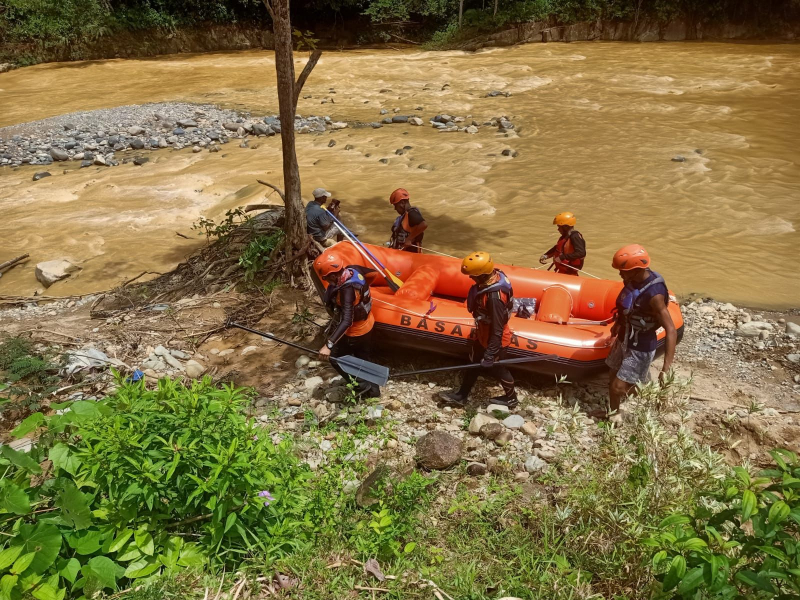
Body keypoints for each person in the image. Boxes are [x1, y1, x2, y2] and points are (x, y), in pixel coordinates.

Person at [605, 244, 677, 422]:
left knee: (617, 387)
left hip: (641, 345)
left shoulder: (655, 295)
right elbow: (627, 306)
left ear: (636, 270)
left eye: (623, 270)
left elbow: (671, 329)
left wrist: (666, 368)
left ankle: (648, 390)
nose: (620, 274)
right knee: (612, 377)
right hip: (624, 338)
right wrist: (618, 323)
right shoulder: (632, 280)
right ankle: (613, 414)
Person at [440, 251, 517, 409]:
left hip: (495, 340)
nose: (471, 278)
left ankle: (512, 398)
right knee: (474, 362)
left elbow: (497, 329)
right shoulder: (490, 278)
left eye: (473, 276)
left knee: (498, 369)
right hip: (483, 334)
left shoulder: (495, 298)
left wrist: (490, 353)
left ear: (482, 275)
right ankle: (461, 395)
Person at [314, 251, 381, 399]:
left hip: (355, 332)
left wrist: (329, 345)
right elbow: (373, 274)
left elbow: (347, 321)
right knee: (363, 358)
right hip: (368, 323)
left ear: (332, 276)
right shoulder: (353, 270)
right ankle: (374, 392)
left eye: (326, 278)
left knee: (336, 358)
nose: (326, 280)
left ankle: (362, 387)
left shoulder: (347, 291)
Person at [388, 188, 427, 253]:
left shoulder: (412, 213)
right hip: (401, 254)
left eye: (395, 205)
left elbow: (424, 224)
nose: (395, 209)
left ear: (402, 203)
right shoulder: (404, 216)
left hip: (411, 256)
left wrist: (409, 239)